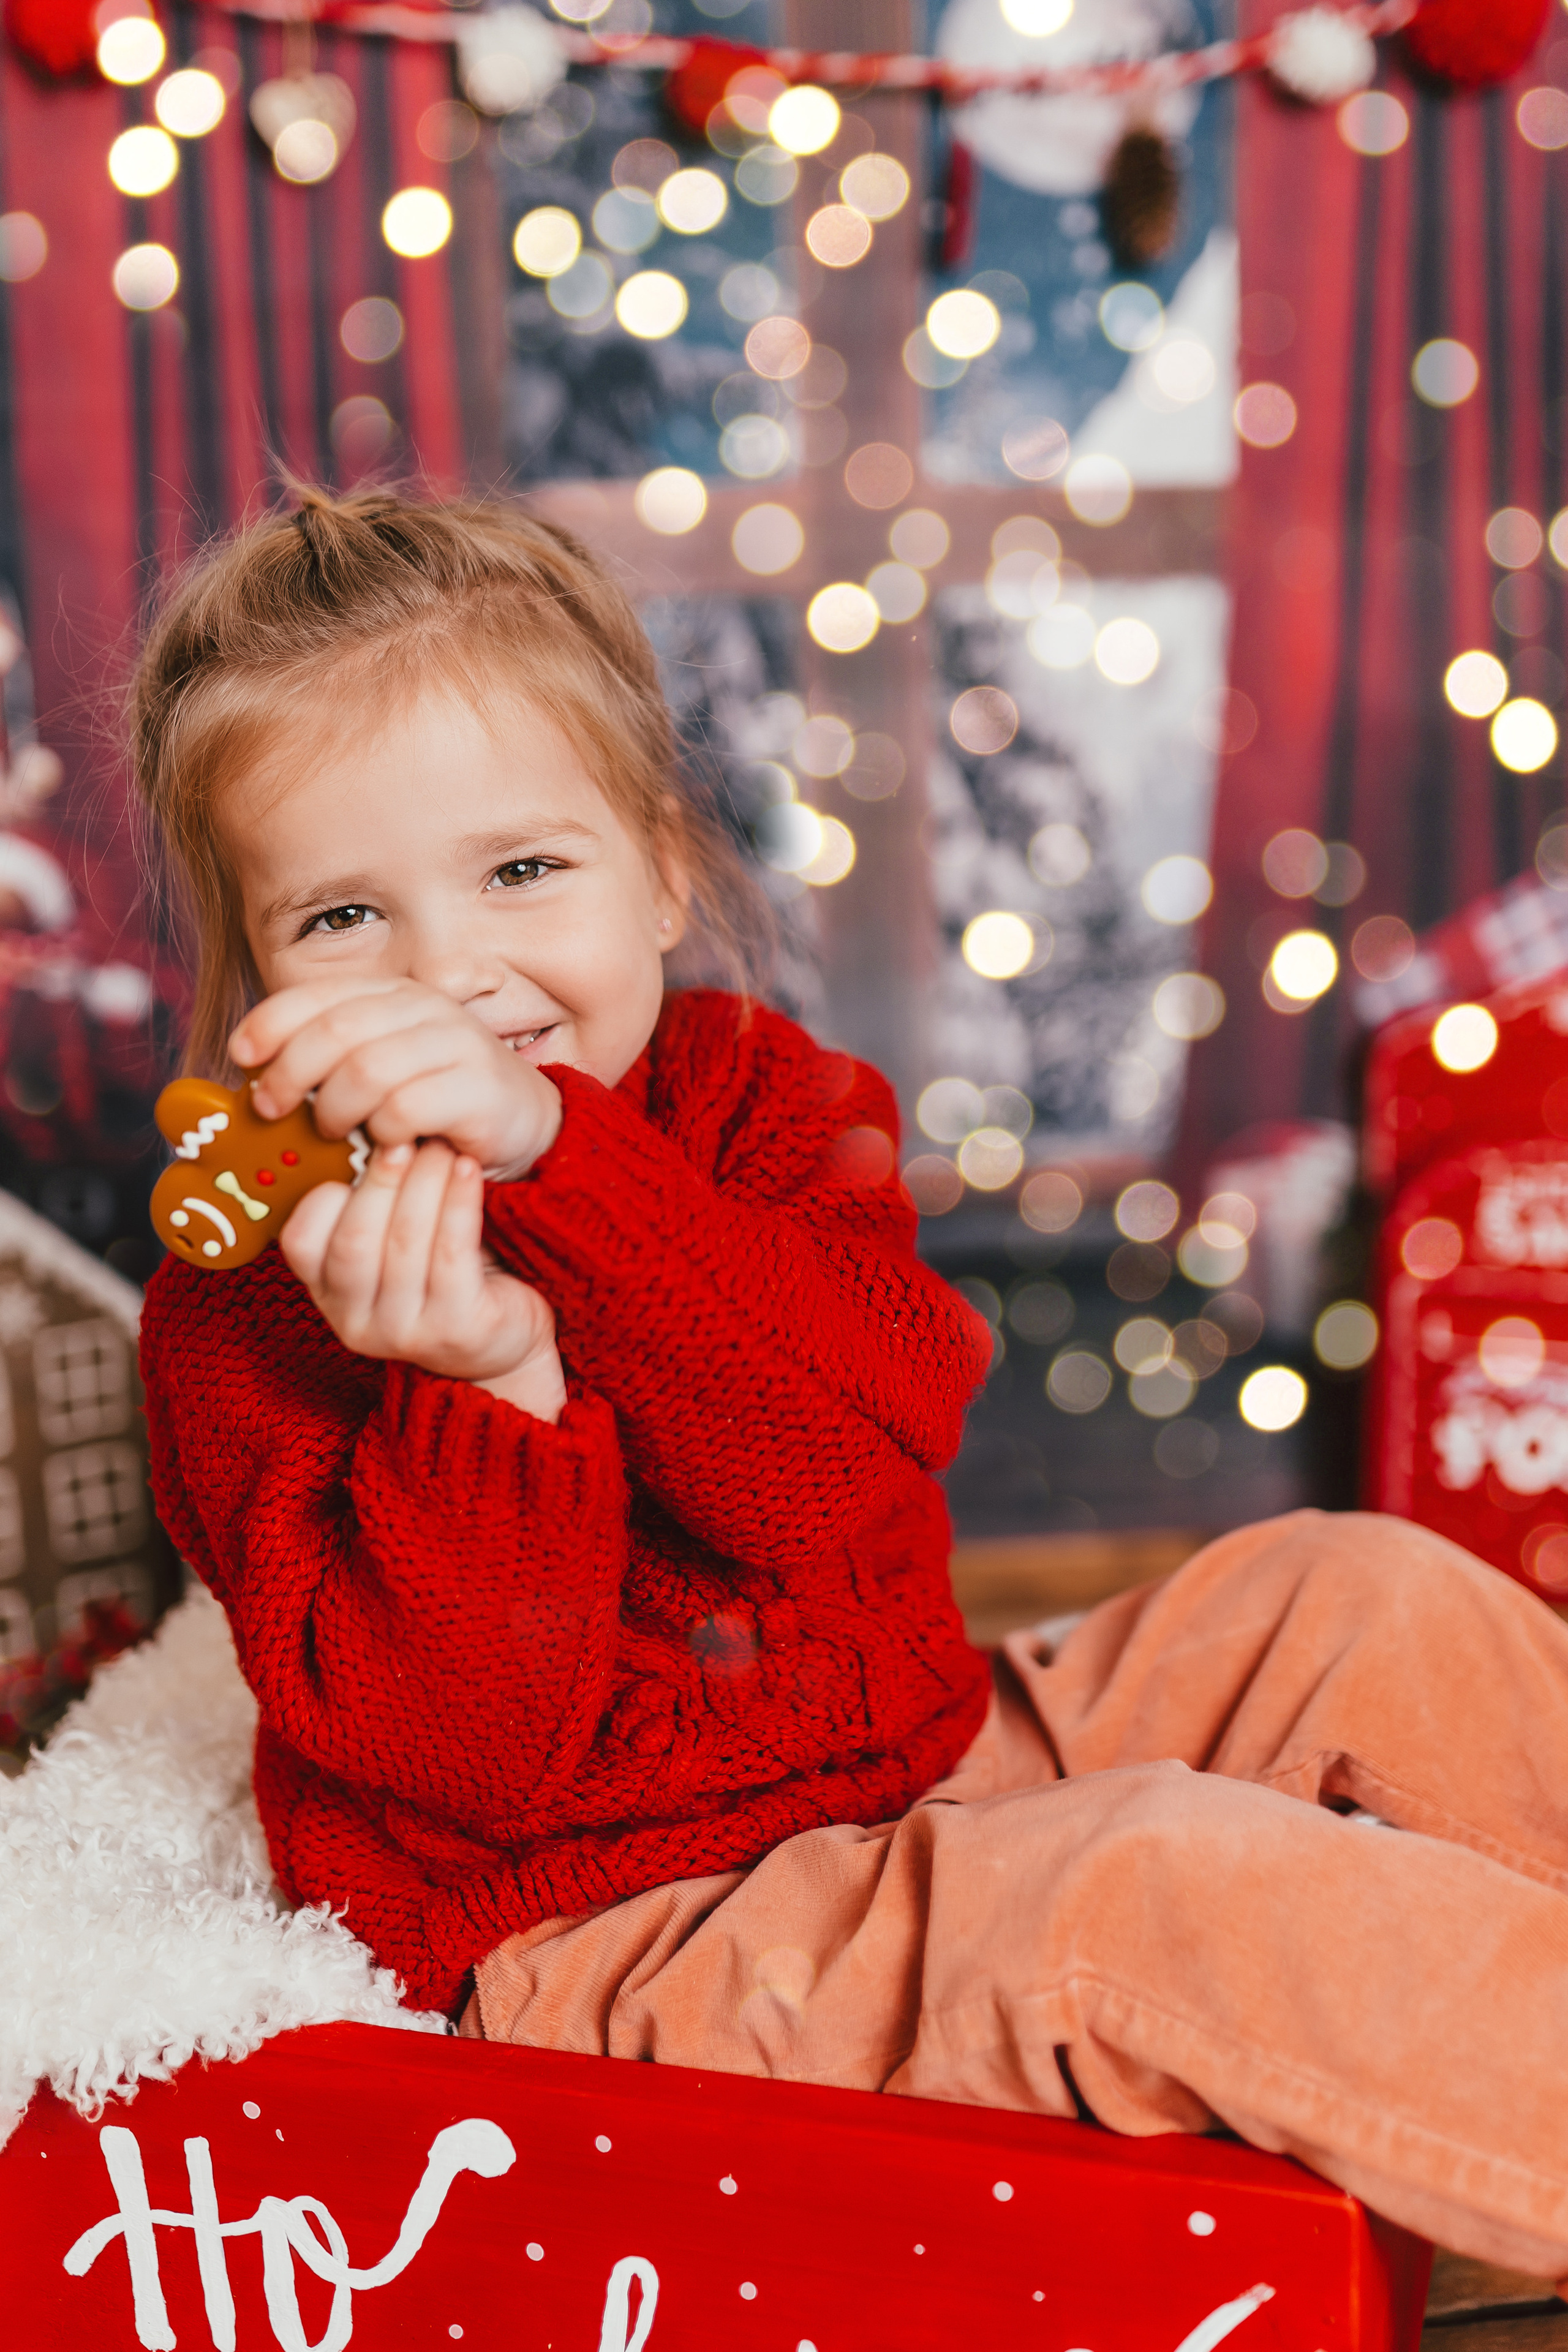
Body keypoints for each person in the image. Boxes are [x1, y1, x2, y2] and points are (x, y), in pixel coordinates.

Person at [136, 490, 1568, 2282]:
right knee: (1162, 1892)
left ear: (659, 865)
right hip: (620, 1946)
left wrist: (562, 1170)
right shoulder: (248, 1320)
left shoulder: (761, 1106)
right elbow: (458, 1764)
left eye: (522, 872)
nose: (453, 977)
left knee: (1361, 1597)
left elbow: (836, 1473)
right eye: (347, 914)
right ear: (254, 982)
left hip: (916, 1756)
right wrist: (484, 1386)